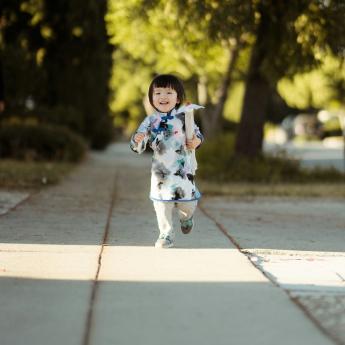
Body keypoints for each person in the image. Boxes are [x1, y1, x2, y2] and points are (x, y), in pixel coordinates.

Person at [130, 74, 204, 248]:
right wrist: (138, 139)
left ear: (177, 98)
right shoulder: (150, 121)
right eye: (158, 93)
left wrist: (196, 141)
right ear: (151, 99)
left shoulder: (184, 117)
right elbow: (137, 144)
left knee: (188, 203)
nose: (163, 96)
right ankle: (166, 233)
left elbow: (197, 134)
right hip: (161, 171)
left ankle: (187, 218)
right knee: (162, 204)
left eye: (169, 92)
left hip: (183, 170)